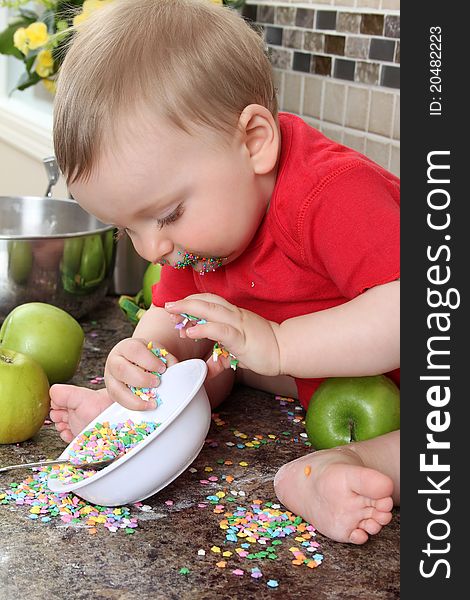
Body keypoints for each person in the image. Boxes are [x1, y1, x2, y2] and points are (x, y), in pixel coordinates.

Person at [50, 0, 400, 545]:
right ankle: (132, 418)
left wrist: (279, 345)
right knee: (215, 357)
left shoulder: (333, 195)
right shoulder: (202, 241)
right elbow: (176, 316)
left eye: (167, 215)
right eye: (127, 230)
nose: (151, 249)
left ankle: (336, 469)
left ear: (254, 142)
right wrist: (145, 358)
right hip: (329, 384)